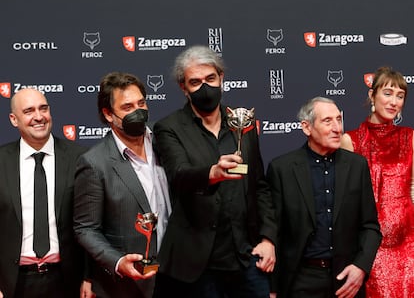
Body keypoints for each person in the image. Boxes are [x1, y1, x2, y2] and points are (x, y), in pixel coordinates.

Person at [152, 45, 277, 298]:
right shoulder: (169, 127)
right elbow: (178, 175)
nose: (205, 87)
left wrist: (268, 239)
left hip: (247, 257)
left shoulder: (243, 123)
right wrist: (212, 173)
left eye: (210, 79)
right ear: (183, 88)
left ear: (222, 78)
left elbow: (259, 186)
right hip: (199, 264)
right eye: (195, 82)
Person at [266, 96, 382, 298]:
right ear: (306, 127)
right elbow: (275, 232)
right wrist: (273, 288)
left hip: (346, 279)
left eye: (339, 119)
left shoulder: (357, 166)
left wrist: (360, 268)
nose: (338, 128)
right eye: (328, 121)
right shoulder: (282, 169)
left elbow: (370, 227)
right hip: (300, 281)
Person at [73, 72, 171, 298]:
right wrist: (117, 261)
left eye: (141, 103)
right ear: (108, 114)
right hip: (128, 285)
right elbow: (86, 229)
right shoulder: (94, 163)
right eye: (127, 107)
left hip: (179, 275)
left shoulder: (166, 140)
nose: (137, 112)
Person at [0, 88, 93, 298]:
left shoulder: (80, 158)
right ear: (14, 119)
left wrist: (89, 277)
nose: (39, 117)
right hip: (13, 283)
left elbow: (91, 224)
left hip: (67, 281)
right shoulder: (1, 161)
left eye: (43, 108)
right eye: (29, 111)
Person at [341, 66, 414, 297]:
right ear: (372, 96)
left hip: (407, 243)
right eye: (388, 93)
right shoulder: (349, 141)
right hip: (369, 246)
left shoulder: (410, 138)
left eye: (400, 96)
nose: (394, 102)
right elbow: (346, 199)